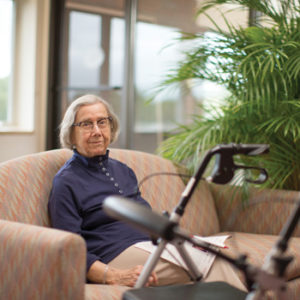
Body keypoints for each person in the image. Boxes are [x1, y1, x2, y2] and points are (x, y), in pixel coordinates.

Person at [48, 94, 247, 290]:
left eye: (102, 122)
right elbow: (70, 249)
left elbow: (146, 220)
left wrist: (183, 241)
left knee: (212, 255)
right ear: (71, 134)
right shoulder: (66, 182)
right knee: (212, 262)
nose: (97, 131)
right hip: (114, 255)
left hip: (149, 246)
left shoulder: (123, 170)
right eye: (86, 124)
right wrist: (112, 275)